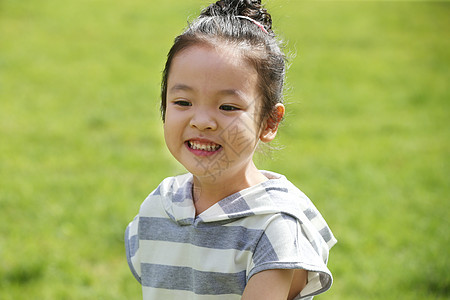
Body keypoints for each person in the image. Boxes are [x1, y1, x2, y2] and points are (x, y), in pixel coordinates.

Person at [125, 0, 337, 299]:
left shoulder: (274, 226)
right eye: (183, 102)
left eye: (228, 107)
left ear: (269, 122)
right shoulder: (159, 207)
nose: (202, 121)